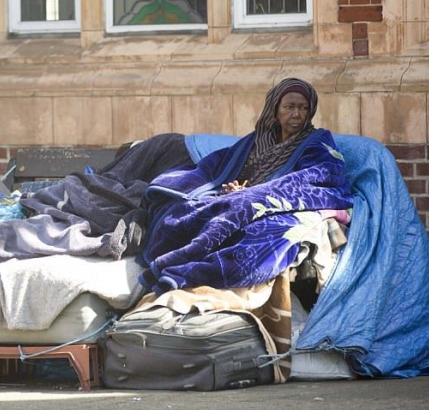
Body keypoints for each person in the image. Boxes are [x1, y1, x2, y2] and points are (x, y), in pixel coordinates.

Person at [138, 77, 354, 295]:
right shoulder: (256, 140)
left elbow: (318, 176)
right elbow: (222, 165)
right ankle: (174, 261)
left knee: (265, 238)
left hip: (274, 203)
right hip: (240, 197)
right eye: (289, 107)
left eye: (303, 108)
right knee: (181, 211)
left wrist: (251, 194)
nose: (296, 114)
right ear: (275, 109)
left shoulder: (317, 142)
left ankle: (187, 272)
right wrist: (229, 189)